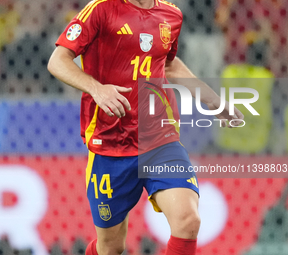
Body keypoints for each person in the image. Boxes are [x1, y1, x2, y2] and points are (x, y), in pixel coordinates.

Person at [48, 0, 244, 254]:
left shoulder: (171, 14)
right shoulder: (100, 9)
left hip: (160, 139)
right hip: (110, 145)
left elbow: (169, 64)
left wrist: (212, 100)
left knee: (188, 220)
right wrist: (97, 89)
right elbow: (57, 60)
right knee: (111, 247)